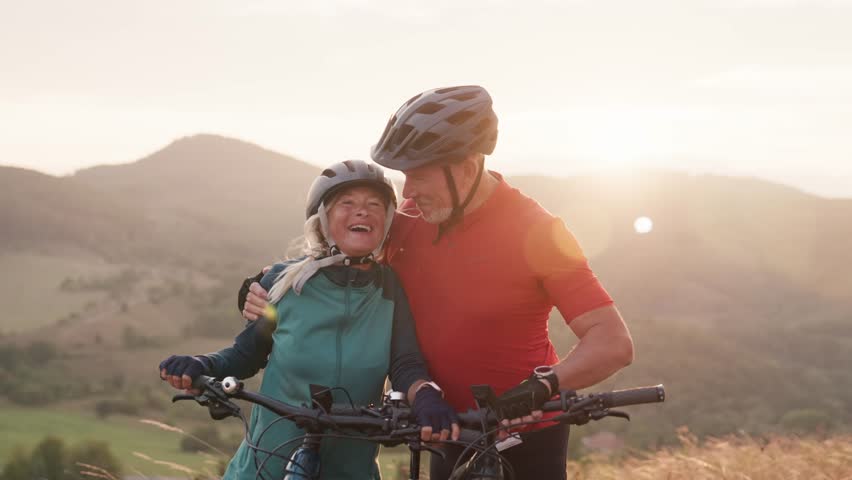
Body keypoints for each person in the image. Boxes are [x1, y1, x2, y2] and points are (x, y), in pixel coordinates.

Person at [241, 86, 635, 479]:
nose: (407, 192)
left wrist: (545, 384)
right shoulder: (409, 222)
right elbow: (336, 257)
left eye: (419, 176)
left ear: (465, 166)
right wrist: (261, 287)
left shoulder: (540, 232)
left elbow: (612, 341)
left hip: (527, 435)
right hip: (444, 428)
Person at [159, 160, 459, 480]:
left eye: (375, 204)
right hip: (264, 468)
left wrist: (427, 395)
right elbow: (245, 354)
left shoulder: (389, 289)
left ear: (386, 221)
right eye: (348, 203)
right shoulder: (285, 282)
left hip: (350, 471)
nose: (363, 211)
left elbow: (405, 365)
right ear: (323, 218)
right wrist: (202, 365)